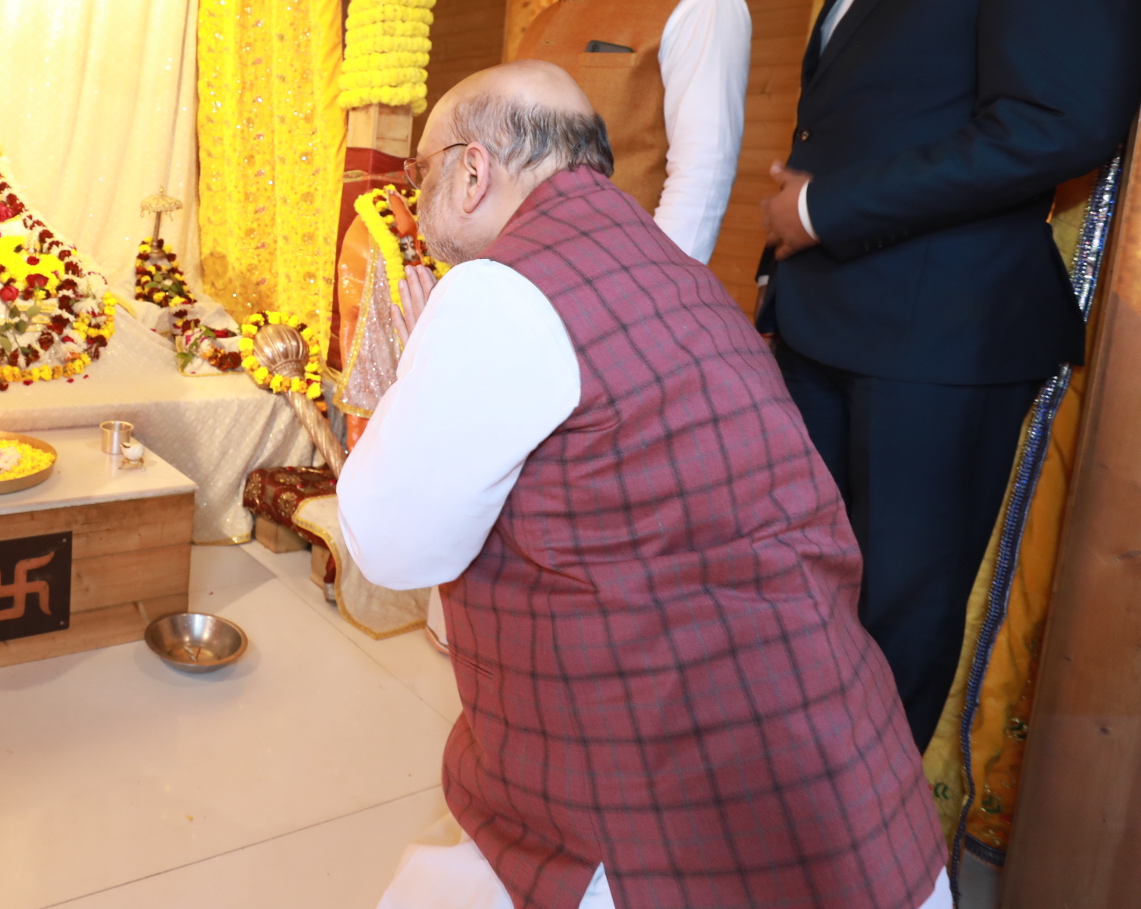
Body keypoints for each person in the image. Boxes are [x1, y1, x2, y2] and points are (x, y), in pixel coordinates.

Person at [345, 62, 949, 909]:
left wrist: (408, 374)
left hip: (658, 801)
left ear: (474, 170)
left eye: (421, 170)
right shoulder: (678, 272)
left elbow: (392, 545)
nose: (413, 196)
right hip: (844, 766)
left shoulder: (501, 288)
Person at [757, 0, 1141, 749]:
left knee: (892, 625)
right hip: (821, 325)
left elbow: (1058, 120)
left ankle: (858, 855)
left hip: (939, 337)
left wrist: (824, 206)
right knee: (790, 599)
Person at [511, 0, 749, 264]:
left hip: (619, 280)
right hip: (519, 273)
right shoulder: (540, 24)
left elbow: (701, 174)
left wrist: (659, 290)